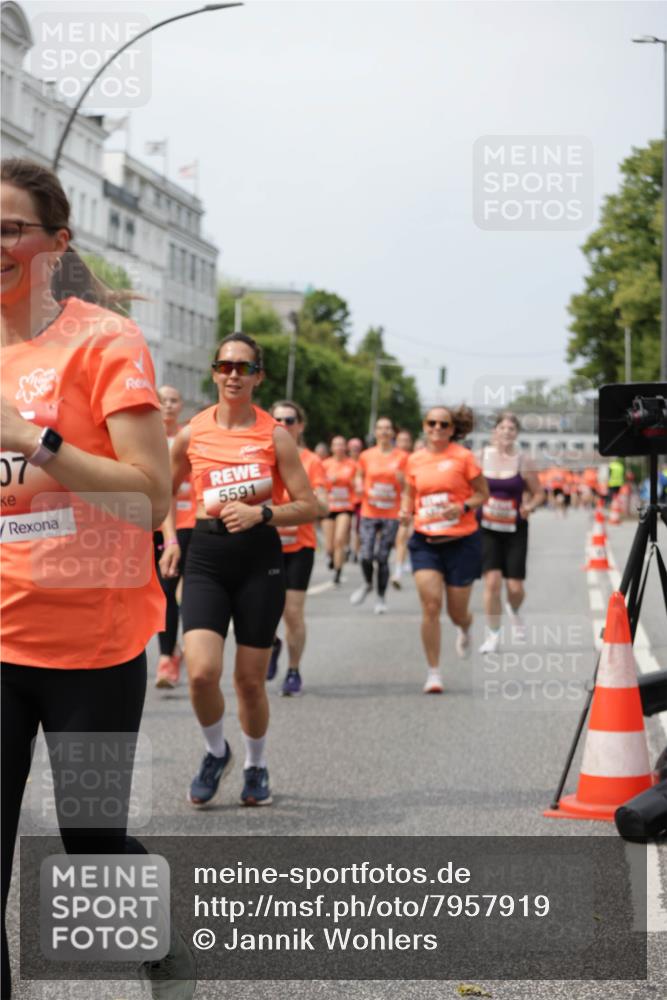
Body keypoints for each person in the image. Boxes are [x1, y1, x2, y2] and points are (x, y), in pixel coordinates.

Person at [0, 159, 194, 998]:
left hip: (92, 640)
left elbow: (150, 498)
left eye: (11, 227)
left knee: (88, 840)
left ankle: (148, 924)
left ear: (56, 242)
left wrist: (33, 440)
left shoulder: (104, 341)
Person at [160, 334, 317, 808]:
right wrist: (169, 539)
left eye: (243, 368)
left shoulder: (275, 435)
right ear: (214, 372)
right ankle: (215, 752)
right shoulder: (192, 432)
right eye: (224, 366)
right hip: (206, 555)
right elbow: (164, 490)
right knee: (202, 673)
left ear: (257, 377)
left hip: (259, 560)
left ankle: (255, 763)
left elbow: (311, 504)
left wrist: (263, 514)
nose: (232, 374)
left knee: (249, 680)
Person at [401, 405, 488, 694]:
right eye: (431, 423)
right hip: (426, 542)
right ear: (424, 426)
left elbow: (481, 494)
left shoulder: (463, 457)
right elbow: (409, 495)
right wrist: (405, 512)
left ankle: (465, 627)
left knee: (456, 612)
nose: (437, 428)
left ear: (452, 429)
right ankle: (434, 672)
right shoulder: (414, 460)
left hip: (462, 542)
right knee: (430, 606)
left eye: (443, 424)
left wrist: (462, 506)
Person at [266, 400, 329, 695]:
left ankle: (293, 670)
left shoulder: (311, 461)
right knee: (264, 610)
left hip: (299, 547)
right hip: (265, 544)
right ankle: (273, 643)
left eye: (290, 420)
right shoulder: (262, 458)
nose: (284, 425)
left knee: (292, 612)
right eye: (277, 419)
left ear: (300, 425)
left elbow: (326, 507)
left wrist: (309, 500)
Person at [477, 413, 544, 654]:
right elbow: (468, 486)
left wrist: (529, 506)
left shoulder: (523, 461)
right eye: (502, 428)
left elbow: (539, 493)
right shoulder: (480, 457)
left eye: (511, 429)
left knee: (515, 588)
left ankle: (513, 610)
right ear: (494, 432)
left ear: (516, 434)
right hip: (487, 528)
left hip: (515, 528)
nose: (506, 432)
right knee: (492, 583)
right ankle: (493, 635)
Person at [154, 384, 196, 689]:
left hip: (188, 523)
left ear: (180, 405)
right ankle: (171, 651)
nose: (168, 405)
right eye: (163, 400)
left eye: (173, 400)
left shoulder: (187, 439)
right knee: (159, 590)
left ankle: (167, 658)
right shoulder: (145, 437)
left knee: (176, 588)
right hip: (153, 523)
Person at [351, 417, 407, 614]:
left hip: (391, 513)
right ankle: (367, 583)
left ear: (393, 433)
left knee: (382, 557)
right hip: (369, 511)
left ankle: (381, 597)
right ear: (375, 432)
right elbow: (358, 475)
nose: (384, 432)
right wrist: (358, 484)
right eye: (380, 428)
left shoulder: (402, 457)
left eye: (387, 428)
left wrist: (403, 483)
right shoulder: (366, 456)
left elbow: (410, 485)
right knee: (365, 555)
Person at [322, 436, 357, 584]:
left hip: (345, 507)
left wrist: (350, 482)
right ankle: (331, 557)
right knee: (329, 545)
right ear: (332, 448)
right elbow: (319, 485)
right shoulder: (324, 464)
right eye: (336, 445)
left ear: (345, 447)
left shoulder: (352, 465)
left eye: (342, 445)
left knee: (339, 540)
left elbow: (358, 485)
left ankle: (337, 572)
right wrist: (330, 482)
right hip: (329, 507)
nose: (339, 447)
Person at [391, 428, 414, 588]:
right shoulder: (386, 458)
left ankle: (397, 572)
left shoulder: (413, 459)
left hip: (408, 503)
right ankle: (404, 562)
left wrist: (402, 481)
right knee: (399, 538)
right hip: (388, 506)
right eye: (401, 440)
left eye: (407, 440)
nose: (404, 444)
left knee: (403, 535)